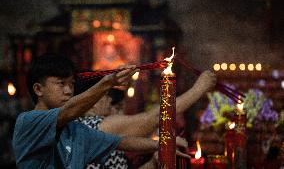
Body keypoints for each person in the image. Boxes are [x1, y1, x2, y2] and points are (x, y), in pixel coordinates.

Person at [12, 54, 187, 169]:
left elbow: (121, 142)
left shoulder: (75, 130)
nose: (68, 90)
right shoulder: (28, 121)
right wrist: (108, 82)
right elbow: (69, 111)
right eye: (60, 84)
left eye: (72, 84)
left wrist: (165, 146)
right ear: (38, 89)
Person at [76, 70, 216, 168]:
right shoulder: (91, 126)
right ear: (91, 102)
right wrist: (199, 88)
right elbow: (152, 118)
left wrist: (153, 164)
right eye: (105, 95)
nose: (109, 99)